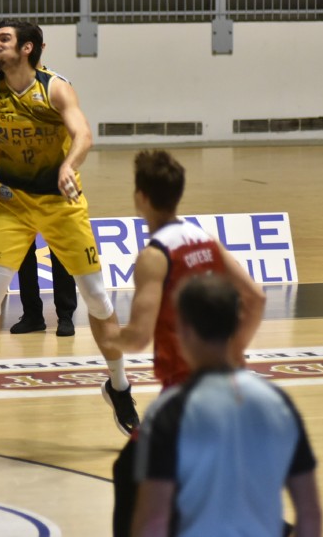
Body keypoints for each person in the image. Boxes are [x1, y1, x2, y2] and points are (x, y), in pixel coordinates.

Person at [0, 19, 136, 440]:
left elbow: (83, 134)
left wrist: (69, 165)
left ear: (27, 48)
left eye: (3, 39)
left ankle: (120, 386)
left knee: (97, 297)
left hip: (60, 204)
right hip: (13, 205)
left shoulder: (55, 89)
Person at [110, 149, 266, 537]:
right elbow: (256, 297)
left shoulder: (154, 256)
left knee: (129, 472)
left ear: (141, 197)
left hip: (187, 394)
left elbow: (139, 337)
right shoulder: (204, 239)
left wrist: (110, 337)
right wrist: (236, 350)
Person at [130, 274, 322, 537]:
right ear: (237, 323)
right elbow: (310, 514)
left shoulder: (167, 412)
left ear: (183, 330)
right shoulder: (280, 404)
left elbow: (154, 521)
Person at [0, 146, 78, 337]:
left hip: (54, 179)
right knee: (24, 249)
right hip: (19, 181)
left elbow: (80, 137)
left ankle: (65, 316)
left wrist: (69, 167)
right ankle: (32, 315)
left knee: (59, 249)